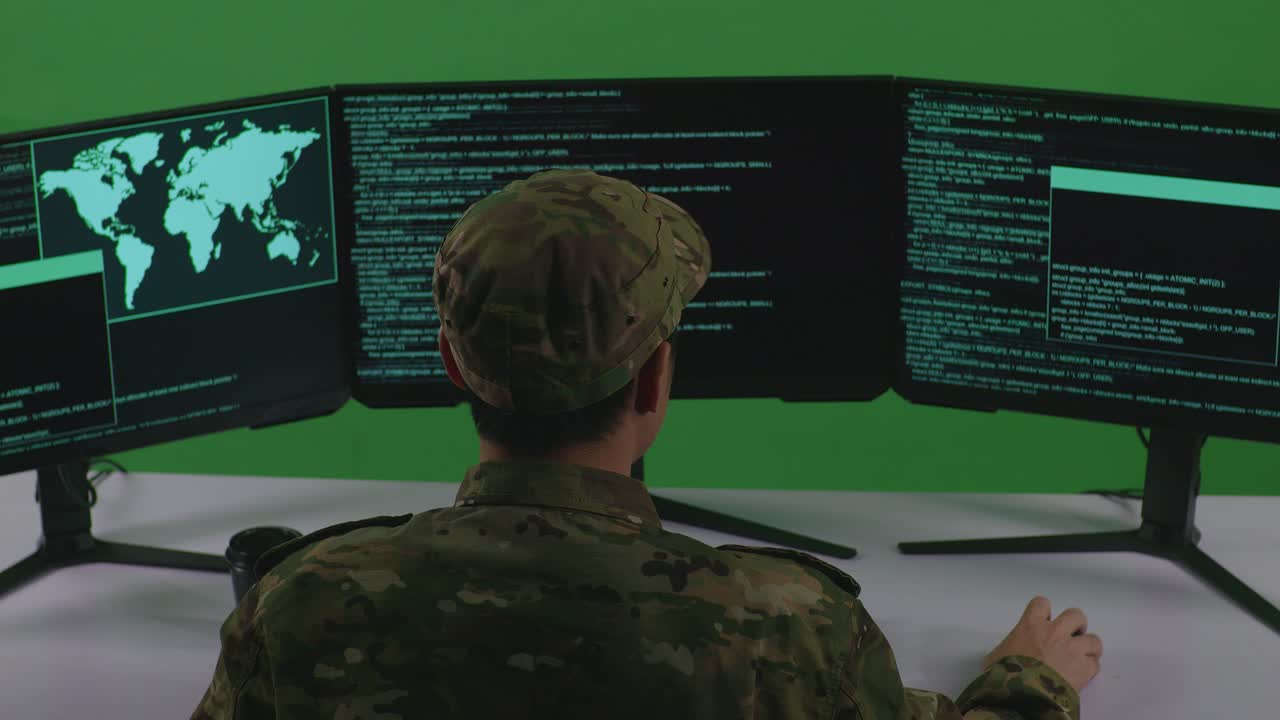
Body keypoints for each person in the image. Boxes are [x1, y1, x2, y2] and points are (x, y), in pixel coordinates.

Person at [193, 169, 1102, 719]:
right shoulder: (787, 625)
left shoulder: (299, 607)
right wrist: (1026, 683)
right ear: (656, 378)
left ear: (454, 365)